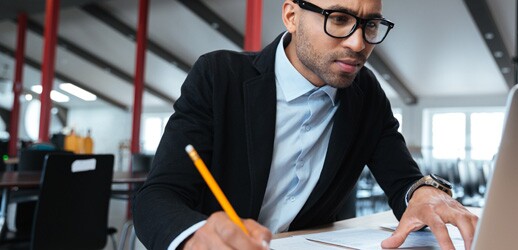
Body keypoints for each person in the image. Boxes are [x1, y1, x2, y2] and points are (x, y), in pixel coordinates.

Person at [133, 0, 478, 249]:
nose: (358, 44)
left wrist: (423, 193)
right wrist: (195, 237)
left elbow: (403, 180)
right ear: (292, 16)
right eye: (339, 18)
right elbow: (157, 197)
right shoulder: (218, 76)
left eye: (370, 24)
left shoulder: (365, 93)